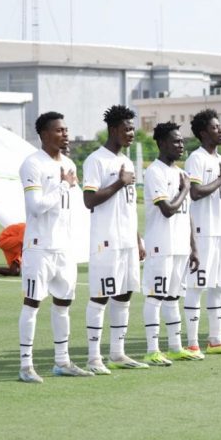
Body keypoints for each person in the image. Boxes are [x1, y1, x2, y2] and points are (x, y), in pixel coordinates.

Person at [17, 111, 92, 383]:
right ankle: (26, 365)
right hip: (40, 247)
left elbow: (74, 209)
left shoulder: (70, 163)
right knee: (33, 303)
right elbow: (35, 207)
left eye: (66, 129)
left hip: (64, 249)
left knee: (64, 303)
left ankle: (62, 361)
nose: (65, 134)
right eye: (59, 130)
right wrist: (62, 185)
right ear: (44, 134)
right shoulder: (32, 165)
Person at [83, 105, 148, 374]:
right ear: (113, 130)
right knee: (101, 295)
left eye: (132, 128)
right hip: (106, 241)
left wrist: (137, 238)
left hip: (127, 241)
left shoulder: (128, 160)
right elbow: (89, 200)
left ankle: (118, 353)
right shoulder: (95, 160)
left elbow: (128, 206)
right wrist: (120, 182)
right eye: (127, 128)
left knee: (125, 294)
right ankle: (93, 357)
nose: (132, 133)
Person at [141, 122, 200, 366]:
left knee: (174, 296)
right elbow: (167, 210)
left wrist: (193, 248)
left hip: (180, 246)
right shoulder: (155, 172)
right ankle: (152, 349)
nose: (181, 145)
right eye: (176, 141)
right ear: (162, 143)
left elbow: (186, 214)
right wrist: (186, 189)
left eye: (182, 141)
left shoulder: (180, 172)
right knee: (156, 296)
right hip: (160, 245)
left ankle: (175, 347)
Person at [185, 109, 221, 355]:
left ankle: (215, 339)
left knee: (218, 286)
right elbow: (194, 193)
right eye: (216, 127)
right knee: (197, 286)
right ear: (204, 133)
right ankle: (193, 342)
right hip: (202, 232)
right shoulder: (196, 159)